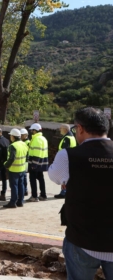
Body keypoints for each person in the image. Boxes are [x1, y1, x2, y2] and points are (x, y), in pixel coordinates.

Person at [49, 107, 113, 279]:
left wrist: (69, 180)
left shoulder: (68, 156)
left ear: (80, 128)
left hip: (82, 240)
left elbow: (55, 176)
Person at [2, 129, 28, 209]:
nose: (10, 137)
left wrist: (6, 165)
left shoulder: (12, 146)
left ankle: (13, 202)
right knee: (21, 185)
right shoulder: (24, 144)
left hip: (14, 170)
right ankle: (20, 201)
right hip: (22, 168)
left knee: (14, 186)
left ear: (13, 137)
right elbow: (27, 157)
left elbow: (11, 158)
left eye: (10, 136)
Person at [54, 124, 78, 199]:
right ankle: (65, 191)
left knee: (64, 177)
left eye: (61, 129)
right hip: (70, 159)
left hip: (65, 160)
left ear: (65, 130)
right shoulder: (72, 137)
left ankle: (63, 192)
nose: (60, 130)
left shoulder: (67, 138)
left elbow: (65, 150)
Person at [27, 123, 48, 202]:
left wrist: (34, 164)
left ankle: (34, 196)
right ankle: (43, 195)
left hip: (35, 163)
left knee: (32, 179)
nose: (31, 132)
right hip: (42, 163)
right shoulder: (43, 138)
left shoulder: (36, 139)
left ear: (35, 130)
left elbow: (36, 152)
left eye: (32, 130)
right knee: (41, 179)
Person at [20, 128, 30, 196]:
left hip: (25, 161)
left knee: (24, 176)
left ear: (26, 135)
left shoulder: (27, 142)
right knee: (24, 176)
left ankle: (25, 189)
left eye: (22, 135)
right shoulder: (23, 142)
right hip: (24, 161)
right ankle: (24, 190)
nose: (21, 136)